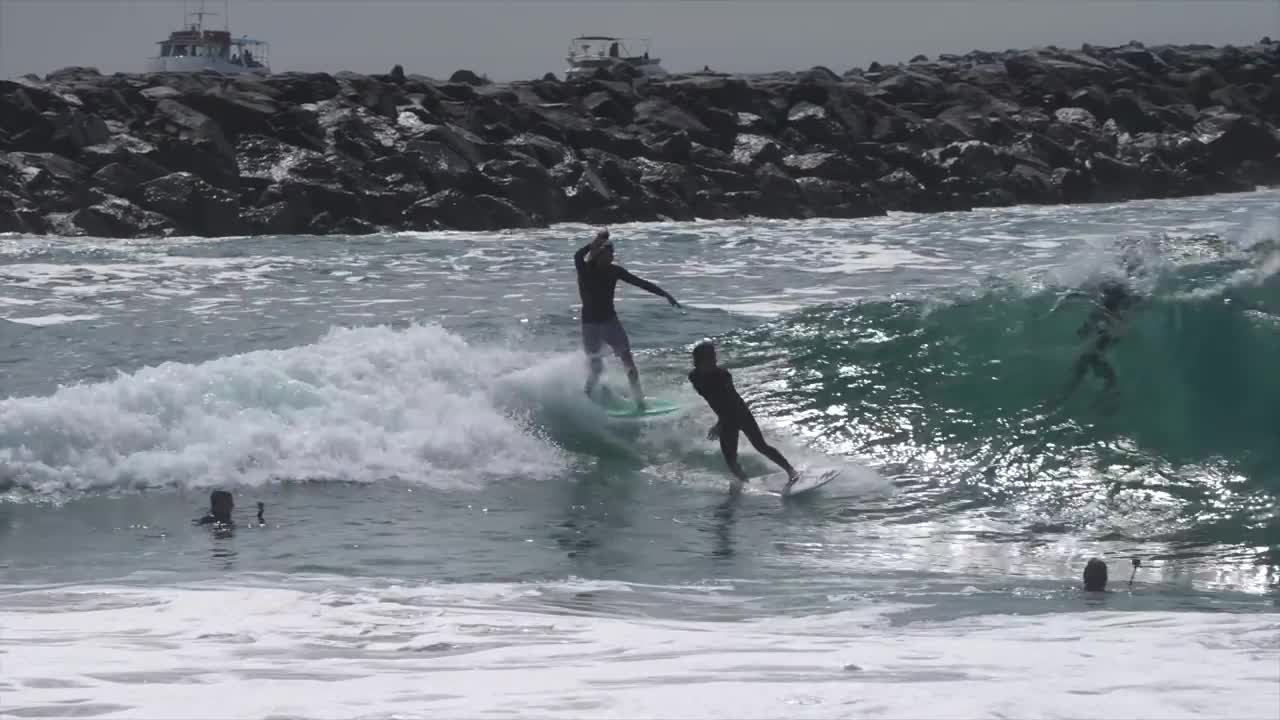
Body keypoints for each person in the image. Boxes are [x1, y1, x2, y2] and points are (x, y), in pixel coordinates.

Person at [574, 228, 680, 412]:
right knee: (598, 368)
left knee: (627, 362)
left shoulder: (607, 270)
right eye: (608, 254)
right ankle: (588, 400)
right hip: (594, 325)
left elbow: (639, 282)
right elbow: (577, 255)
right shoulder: (588, 270)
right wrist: (594, 243)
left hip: (604, 322)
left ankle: (639, 402)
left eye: (613, 254)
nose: (612, 257)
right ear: (598, 255)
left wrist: (664, 293)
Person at [688, 341, 799, 489]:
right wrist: (722, 422)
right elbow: (714, 401)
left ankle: (791, 471)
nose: (715, 360)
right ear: (702, 359)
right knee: (730, 459)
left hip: (740, 414)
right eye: (712, 356)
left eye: (715, 356)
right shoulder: (694, 377)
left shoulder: (723, 376)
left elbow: (730, 403)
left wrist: (720, 424)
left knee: (761, 446)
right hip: (725, 419)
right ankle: (744, 483)